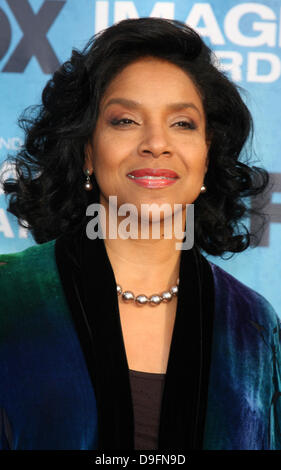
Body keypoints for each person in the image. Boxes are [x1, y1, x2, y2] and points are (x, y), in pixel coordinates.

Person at [0, 17, 280, 451]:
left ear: (208, 155)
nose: (155, 143)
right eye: (126, 120)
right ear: (88, 152)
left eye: (183, 124)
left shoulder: (253, 324)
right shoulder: (10, 296)